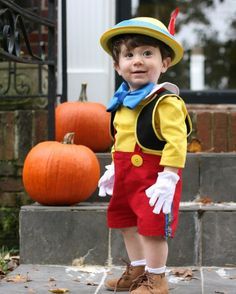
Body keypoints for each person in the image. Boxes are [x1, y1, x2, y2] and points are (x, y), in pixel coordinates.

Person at [98, 10, 192, 294]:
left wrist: (170, 177)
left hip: (155, 179)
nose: (137, 60)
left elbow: (177, 141)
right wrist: (114, 167)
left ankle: (156, 279)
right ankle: (138, 270)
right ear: (117, 66)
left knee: (151, 230)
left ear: (164, 63)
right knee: (126, 222)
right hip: (127, 176)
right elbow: (121, 137)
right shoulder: (122, 101)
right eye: (129, 55)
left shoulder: (166, 101)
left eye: (147, 53)